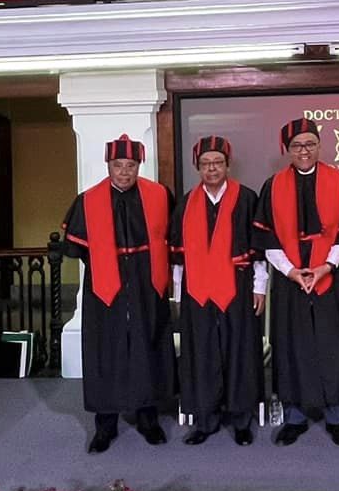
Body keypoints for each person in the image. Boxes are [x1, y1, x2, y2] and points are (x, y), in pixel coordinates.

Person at [61, 135, 176, 453]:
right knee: (105, 351)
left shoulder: (159, 195)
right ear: (108, 165)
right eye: (118, 166)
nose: (124, 172)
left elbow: (170, 237)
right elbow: (78, 249)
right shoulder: (88, 200)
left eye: (130, 165)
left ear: (139, 165)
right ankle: (105, 425)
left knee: (147, 345)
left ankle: (148, 418)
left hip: (146, 282)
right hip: (106, 287)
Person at [257, 118, 339, 446]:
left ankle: (336, 416)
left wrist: (326, 266)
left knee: (331, 343)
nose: (304, 151)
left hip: (328, 279)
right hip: (289, 279)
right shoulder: (273, 185)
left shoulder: (338, 179)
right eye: (297, 146)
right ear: (287, 150)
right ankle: (295, 416)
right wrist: (290, 270)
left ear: (320, 146)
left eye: (310, 144)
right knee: (291, 344)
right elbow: (266, 236)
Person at [171, 136, 266, 446]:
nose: (212, 168)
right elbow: (178, 256)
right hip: (197, 291)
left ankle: (241, 419)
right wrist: (177, 293)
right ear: (197, 167)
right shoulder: (186, 204)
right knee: (202, 354)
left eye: (217, 163)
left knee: (241, 352)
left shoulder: (247, 198)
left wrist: (260, 288)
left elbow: (259, 251)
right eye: (205, 164)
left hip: (237, 288)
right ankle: (206, 419)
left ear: (227, 165)